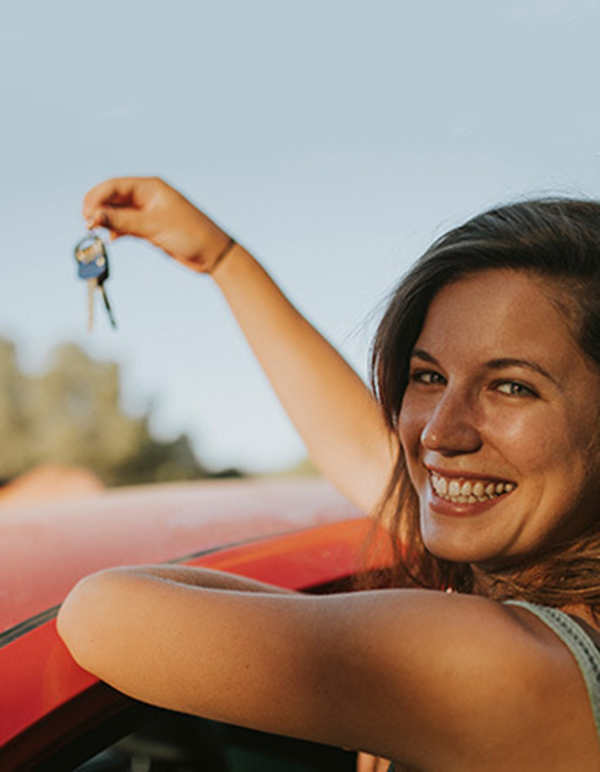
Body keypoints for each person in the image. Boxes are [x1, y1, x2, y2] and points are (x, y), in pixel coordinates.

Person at [58, 177, 600, 771]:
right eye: (428, 377)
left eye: (512, 386)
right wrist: (223, 260)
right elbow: (373, 458)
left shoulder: (502, 664)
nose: (441, 433)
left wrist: (370, 657)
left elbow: (100, 614)